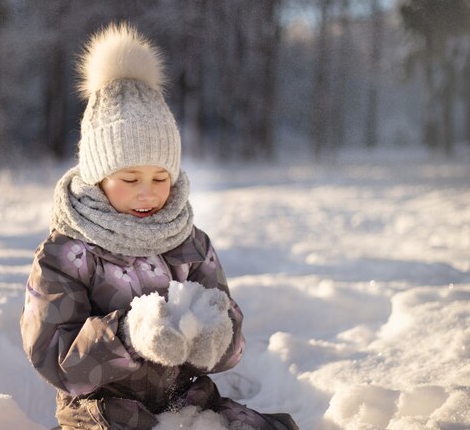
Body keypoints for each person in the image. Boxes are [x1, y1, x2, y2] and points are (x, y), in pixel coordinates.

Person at [20, 23, 298, 430]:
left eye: (160, 178)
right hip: (101, 413)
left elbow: (230, 331)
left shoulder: (189, 242)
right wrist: (130, 334)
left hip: (188, 401)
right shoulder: (67, 253)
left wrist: (217, 335)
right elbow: (54, 356)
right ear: (98, 177)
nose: (148, 193)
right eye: (130, 180)